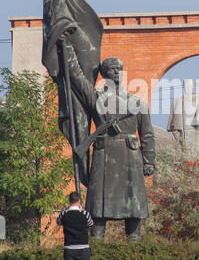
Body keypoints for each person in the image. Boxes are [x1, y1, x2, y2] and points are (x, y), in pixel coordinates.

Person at [60, 33, 155, 243]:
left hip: (131, 157)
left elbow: (147, 134)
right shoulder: (95, 97)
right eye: (112, 69)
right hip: (105, 154)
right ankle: (96, 247)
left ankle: (135, 246)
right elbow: (75, 76)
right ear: (104, 74)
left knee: (134, 209)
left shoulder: (137, 102)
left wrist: (149, 161)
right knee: (99, 210)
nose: (117, 72)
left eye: (119, 69)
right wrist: (66, 46)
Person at [56, 191, 94, 260]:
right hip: (83, 248)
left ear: (69, 201)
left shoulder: (64, 213)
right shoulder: (85, 214)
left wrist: (66, 209)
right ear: (79, 201)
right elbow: (90, 224)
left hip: (69, 249)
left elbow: (58, 222)